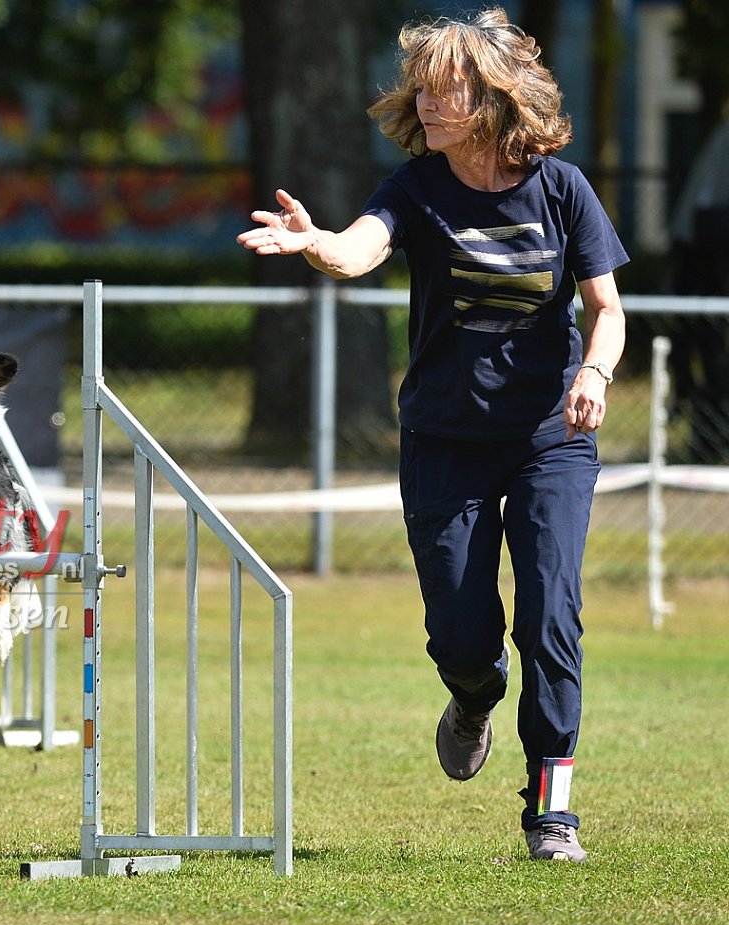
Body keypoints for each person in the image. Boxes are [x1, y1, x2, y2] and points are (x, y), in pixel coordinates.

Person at [237, 7, 627, 862]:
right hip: (445, 436)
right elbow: (357, 251)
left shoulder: (562, 189)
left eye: (445, 88)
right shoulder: (414, 188)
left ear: (492, 98)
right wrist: (314, 242)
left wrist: (594, 375)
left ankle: (551, 811)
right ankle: (474, 692)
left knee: (552, 615)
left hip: (549, 434)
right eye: (421, 88)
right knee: (461, 630)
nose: (427, 100)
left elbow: (607, 310)